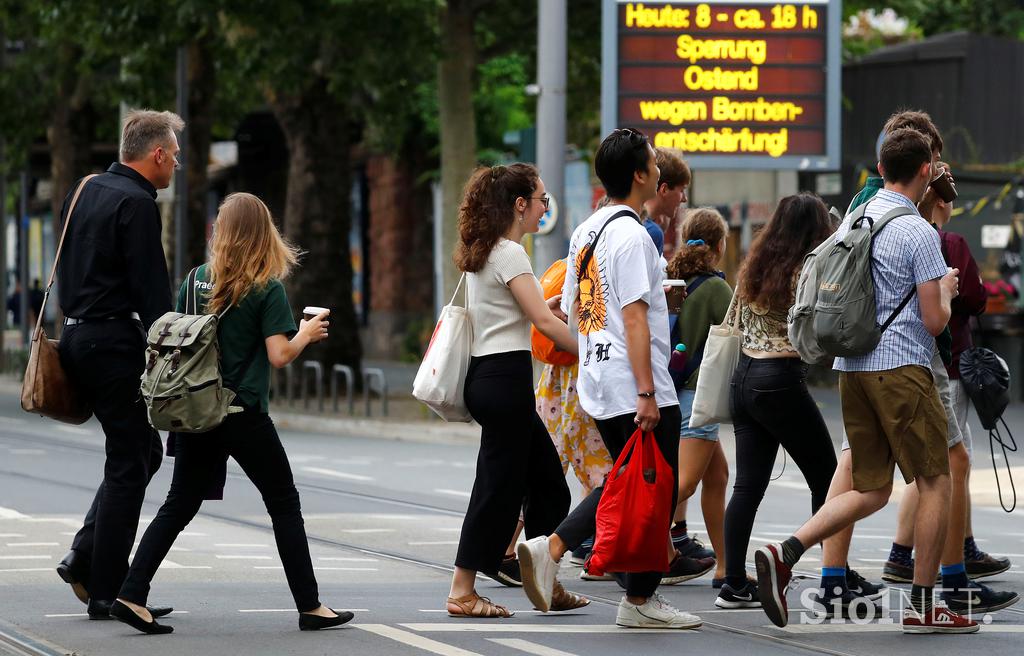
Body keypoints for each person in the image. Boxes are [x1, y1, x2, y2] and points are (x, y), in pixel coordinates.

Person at [754, 128, 975, 633]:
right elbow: (935, 322)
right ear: (925, 171)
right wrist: (944, 287)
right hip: (901, 370)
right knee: (935, 480)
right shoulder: (918, 231)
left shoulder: (858, 216)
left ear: (881, 168)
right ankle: (924, 604)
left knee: (872, 488)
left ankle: (786, 552)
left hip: (852, 369)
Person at [110, 192, 349, 634]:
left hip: (197, 411)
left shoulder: (195, 278)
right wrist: (305, 333)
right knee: (283, 503)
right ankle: (310, 606)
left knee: (178, 504)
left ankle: (130, 592)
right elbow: (279, 355)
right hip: (242, 414)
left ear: (222, 232)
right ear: (263, 233)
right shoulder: (266, 287)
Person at [819, 110, 1012, 615]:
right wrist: (942, 245)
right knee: (941, 472)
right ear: (925, 164)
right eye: (936, 161)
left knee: (868, 476)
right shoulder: (914, 216)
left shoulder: (862, 205)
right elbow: (934, 311)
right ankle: (940, 586)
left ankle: (821, 567)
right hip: (906, 361)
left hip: (853, 358)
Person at [518, 128, 702, 630]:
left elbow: (579, 313)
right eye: (653, 163)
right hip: (633, 382)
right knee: (653, 489)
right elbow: (636, 318)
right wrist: (647, 390)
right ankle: (629, 595)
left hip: (598, 376)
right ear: (640, 175)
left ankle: (574, 560)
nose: (660, 170)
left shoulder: (587, 231)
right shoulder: (633, 236)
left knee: (629, 482)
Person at [55, 109, 181, 620]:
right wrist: (173, 351)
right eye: (173, 154)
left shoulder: (83, 190)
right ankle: (108, 589)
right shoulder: (137, 204)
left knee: (141, 451)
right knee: (131, 461)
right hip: (113, 343)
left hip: (75, 337)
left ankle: (84, 556)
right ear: (155, 154)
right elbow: (152, 292)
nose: (177, 163)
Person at [445, 163, 580, 618]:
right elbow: (543, 323)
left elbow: (522, 311)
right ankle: (462, 590)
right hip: (504, 383)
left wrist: (547, 307)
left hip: (492, 379)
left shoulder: (487, 251)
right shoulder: (509, 253)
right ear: (520, 205)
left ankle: (546, 579)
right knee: (496, 490)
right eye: (540, 199)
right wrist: (599, 353)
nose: (544, 206)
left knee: (548, 489)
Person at [718, 194, 837, 610]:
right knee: (829, 479)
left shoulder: (755, 264)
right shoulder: (808, 268)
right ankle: (832, 576)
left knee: (747, 486)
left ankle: (732, 582)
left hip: (744, 378)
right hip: (780, 380)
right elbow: (819, 332)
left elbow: (732, 322)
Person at [664, 208, 731, 587]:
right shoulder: (717, 288)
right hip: (698, 397)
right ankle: (643, 552)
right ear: (720, 245)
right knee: (684, 484)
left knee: (717, 474)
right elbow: (738, 336)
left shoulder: (674, 279)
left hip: (673, 392)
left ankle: (724, 565)